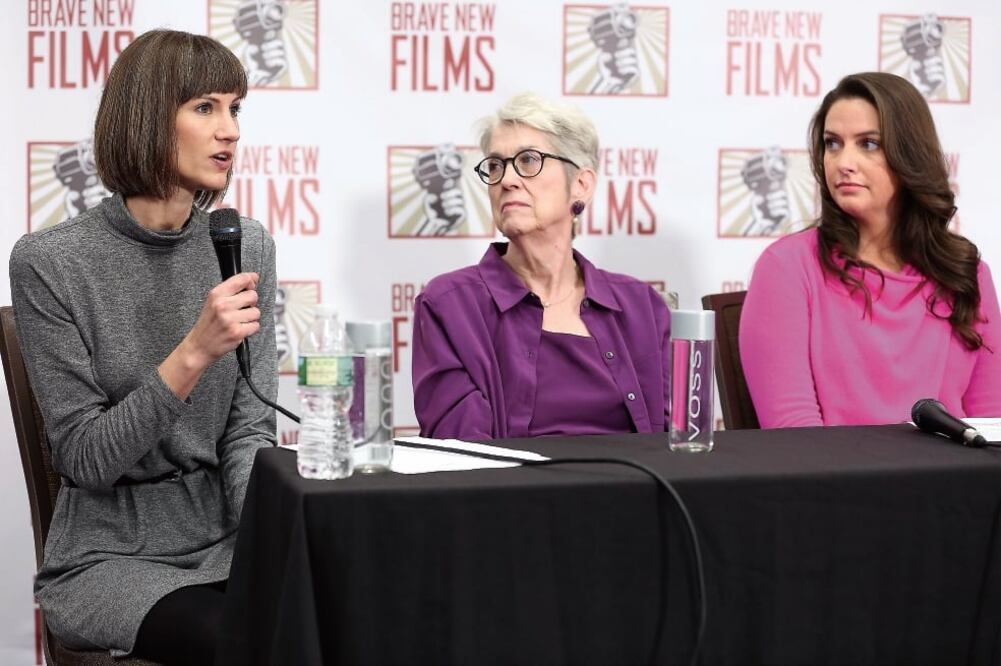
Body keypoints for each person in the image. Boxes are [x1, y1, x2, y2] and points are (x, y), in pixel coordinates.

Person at [9, 30, 278, 663]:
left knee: (345, 607)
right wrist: (194, 353)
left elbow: (248, 432)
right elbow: (84, 459)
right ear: (149, 117)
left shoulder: (245, 245)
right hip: (108, 556)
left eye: (235, 109)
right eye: (205, 108)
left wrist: (269, 539)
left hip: (226, 536)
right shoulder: (51, 262)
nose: (230, 131)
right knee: (245, 640)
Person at [739, 72, 1001, 428]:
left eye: (868, 144)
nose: (843, 162)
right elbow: (795, 439)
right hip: (834, 481)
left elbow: (991, 425)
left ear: (909, 155)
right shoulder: (787, 267)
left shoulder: (966, 273)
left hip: (954, 481)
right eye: (832, 143)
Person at [412, 93, 671, 439]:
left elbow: (678, 444)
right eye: (495, 166)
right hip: (513, 492)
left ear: (581, 184)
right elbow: (463, 455)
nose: (507, 180)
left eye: (529, 161)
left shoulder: (642, 307)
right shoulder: (448, 306)